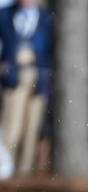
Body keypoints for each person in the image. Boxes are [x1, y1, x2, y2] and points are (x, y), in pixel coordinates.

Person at [0, 0, 53, 177]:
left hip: (39, 75)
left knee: (32, 127)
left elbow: (50, 49)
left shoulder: (46, 18)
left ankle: (25, 171)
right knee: (11, 124)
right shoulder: (5, 14)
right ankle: (6, 168)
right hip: (13, 75)